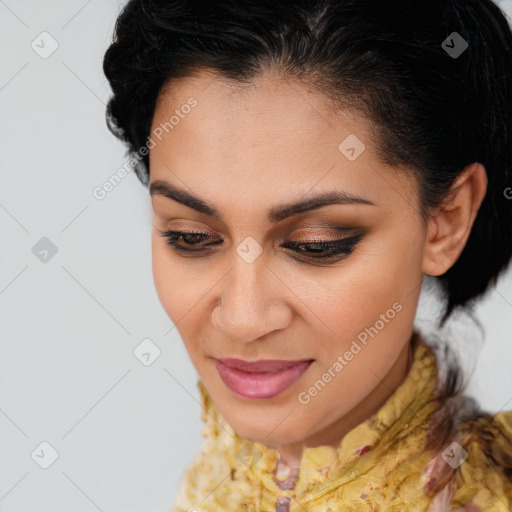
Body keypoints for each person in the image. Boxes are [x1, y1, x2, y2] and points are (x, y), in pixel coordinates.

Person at [102, 0, 512, 510]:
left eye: (314, 244)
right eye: (191, 236)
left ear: (445, 222)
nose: (242, 318)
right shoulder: (213, 480)